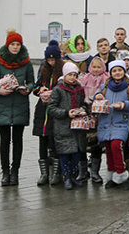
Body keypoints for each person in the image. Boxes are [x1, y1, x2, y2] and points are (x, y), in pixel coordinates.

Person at [0, 30, 34, 186]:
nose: (15, 47)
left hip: (20, 105)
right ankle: (5, 172)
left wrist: (27, 88)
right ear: (7, 45)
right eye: (13, 44)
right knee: (4, 141)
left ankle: (15, 171)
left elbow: (31, 82)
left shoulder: (26, 62)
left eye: (18, 44)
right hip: (3, 106)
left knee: (17, 140)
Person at [94, 60, 129, 189]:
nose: (117, 73)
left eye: (120, 70)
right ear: (110, 73)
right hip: (105, 123)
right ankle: (112, 174)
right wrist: (97, 96)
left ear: (124, 71)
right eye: (114, 71)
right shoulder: (105, 86)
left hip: (121, 123)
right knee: (108, 148)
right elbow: (96, 98)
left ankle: (121, 173)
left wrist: (124, 105)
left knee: (116, 145)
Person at [48, 61, 88, 190]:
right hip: (63, 126)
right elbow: (52, 108)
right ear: (64, 75)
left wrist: (82, 109)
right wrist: (66, 113)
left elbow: (84, 104)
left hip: (77, 127)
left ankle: (73, 176)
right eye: (70, 75)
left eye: (74, 75)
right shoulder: (58, 89)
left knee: (77, 153)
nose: (72, 77)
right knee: (65, 154)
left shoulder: (80, 89)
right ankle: (66, 177)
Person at [32, 40, 64, 186]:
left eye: (53, 59)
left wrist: (54, 92)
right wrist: (40, 91)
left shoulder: (62, 70)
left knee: (54, 139)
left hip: (54, 110)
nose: (51, 62)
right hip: (42, 110)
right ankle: (44, 173)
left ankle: (56, 172)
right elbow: (36, 86)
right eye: (48, 59)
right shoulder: (44, 70)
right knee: (42, 140)